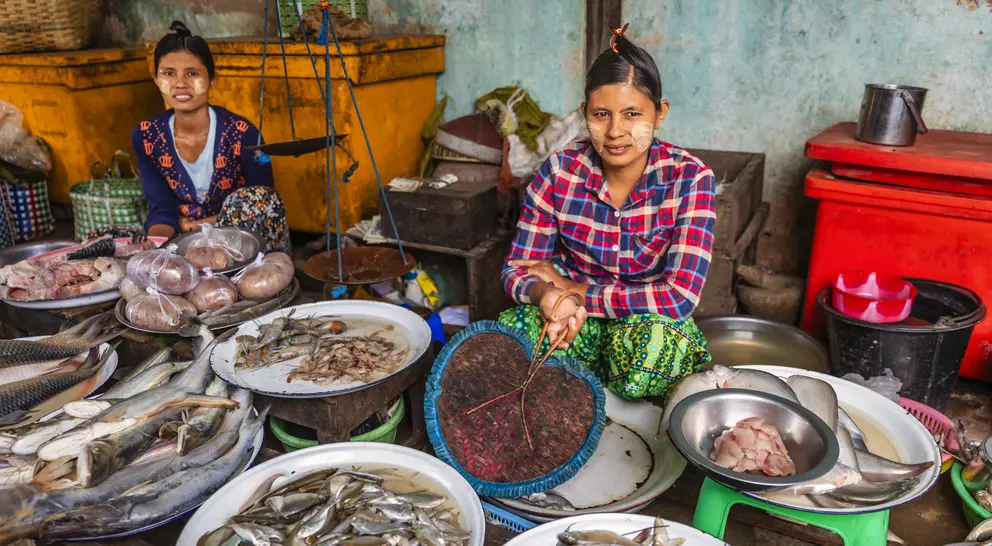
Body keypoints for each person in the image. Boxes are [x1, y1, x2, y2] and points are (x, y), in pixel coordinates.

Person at [500, 25, 716, 400]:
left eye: (632, 113)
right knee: (510, 335)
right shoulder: (560, 170)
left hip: (641, 323)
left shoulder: (690, 178)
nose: (616, 131)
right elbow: (516, 270)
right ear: (585, 113)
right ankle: (579, 395)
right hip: (572, 319)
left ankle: (600, 391)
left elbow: (679, 297)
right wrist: (548, 297)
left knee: (659, 349)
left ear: (659, 114)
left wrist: (577, 290)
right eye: (601, 114)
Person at [132, 21, 291, 253]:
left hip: (245, 242)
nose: (180, 84)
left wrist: (197, 226)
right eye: (168, 74)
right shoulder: (146, 136)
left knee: (259, 198)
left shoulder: (243, 133)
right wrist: (155, 252)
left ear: (212, 79)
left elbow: (263, 204)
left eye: (192, 73)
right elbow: (162, 209)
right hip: (185, 244)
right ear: (156, 79)